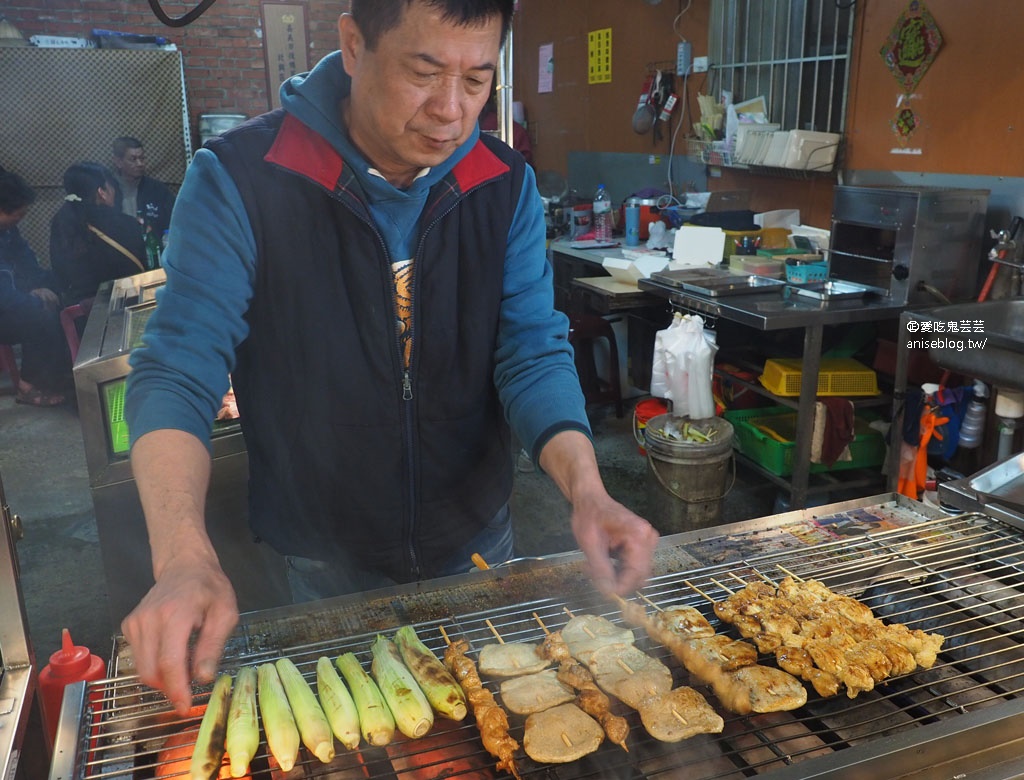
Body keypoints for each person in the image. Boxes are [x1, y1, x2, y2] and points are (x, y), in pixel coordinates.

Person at [122, 0, 659, 715]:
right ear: (352, 44)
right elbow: (178, 368)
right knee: (358, 740)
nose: (451, 110)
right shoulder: (243, 177)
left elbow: (531, 350)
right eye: (425, 71)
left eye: (477, 80)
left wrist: (588, 493)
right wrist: (183, 556)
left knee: (486, 724)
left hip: (474, 534)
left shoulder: (503, 185)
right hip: (323, 547)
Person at [0, 167, 69, 406]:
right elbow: (5, 298)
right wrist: (35, 298)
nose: (20, 219)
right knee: (39, 316)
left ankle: (63, 373)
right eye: (16, 216)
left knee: (57, 287)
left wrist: (41, 285)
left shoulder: (8, 230)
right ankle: (28, 387)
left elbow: (26, 263)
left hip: (9, 299)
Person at [49, 162, 147, 305]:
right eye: (112, 187)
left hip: (78, 314)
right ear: (102, 192)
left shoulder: (61, 224)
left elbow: (61, 275)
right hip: (122, 306)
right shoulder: (126, 225)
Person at [111, 136, 176, 238]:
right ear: (118, 162)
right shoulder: (107, 190)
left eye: (142, 158)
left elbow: (174, 222)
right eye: (133, 159)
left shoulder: (157, 189)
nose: (140, 164)